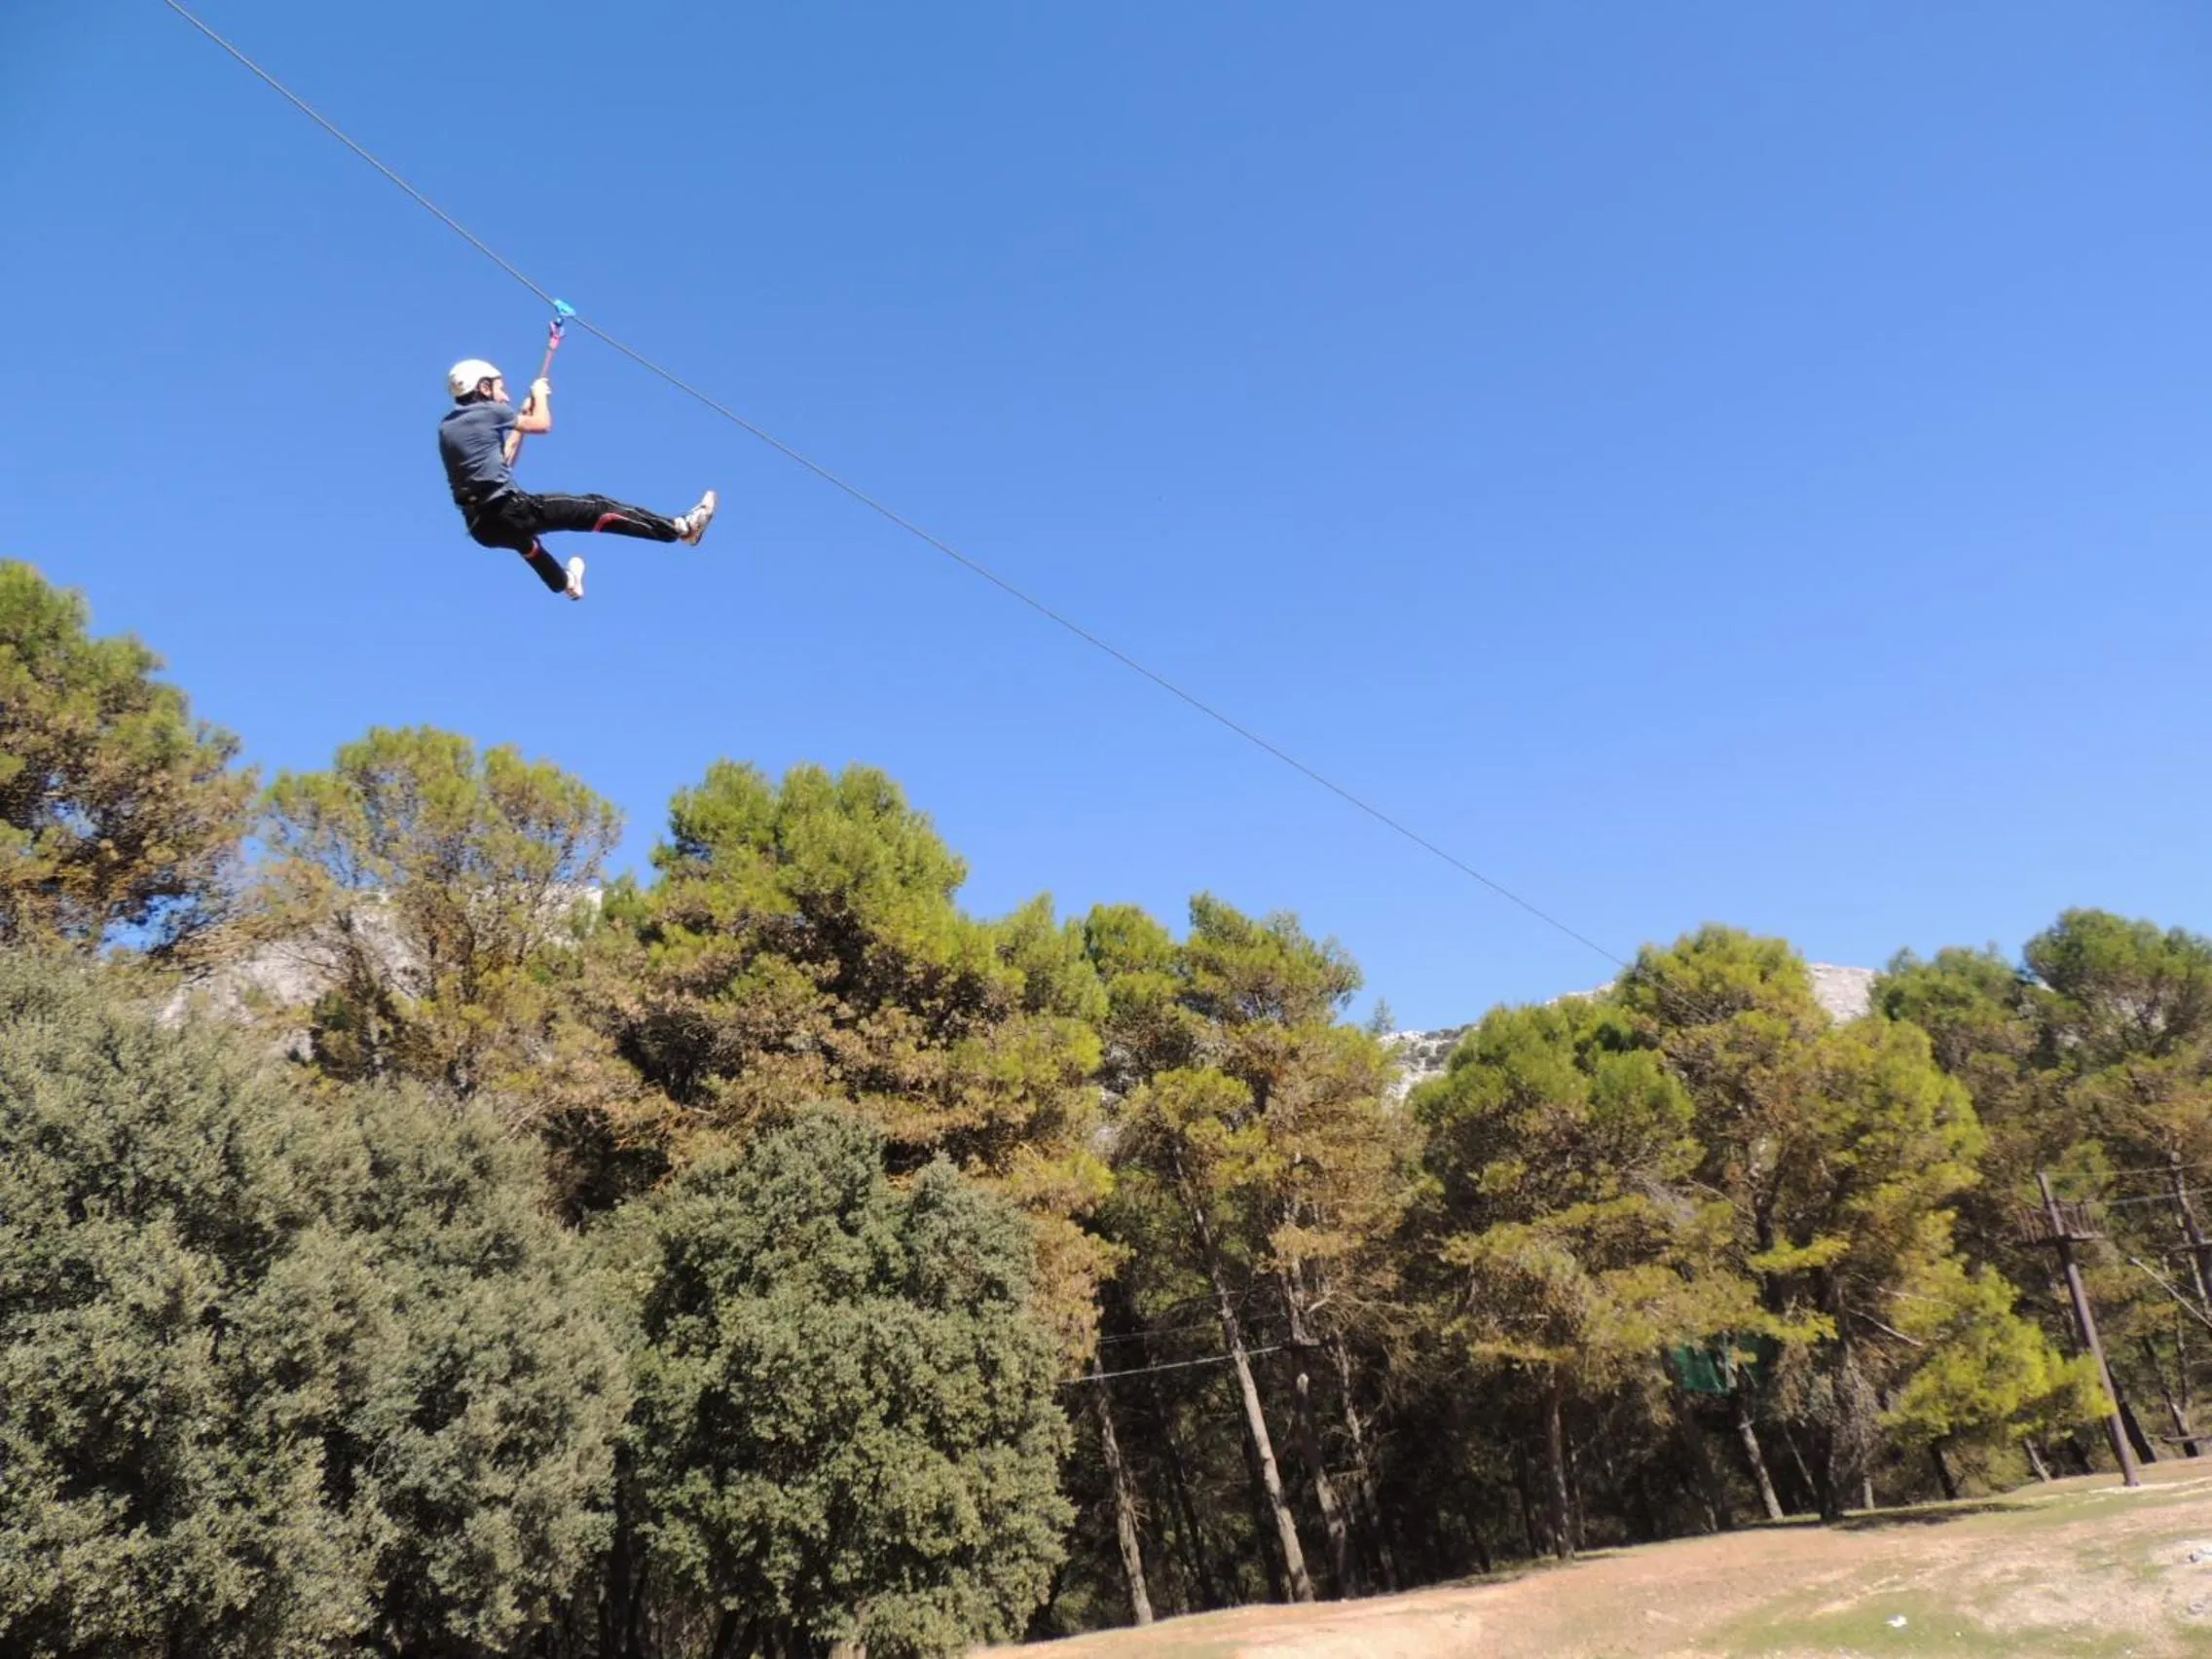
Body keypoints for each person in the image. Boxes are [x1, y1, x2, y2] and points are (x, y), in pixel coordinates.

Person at [438, 357, 717, 600]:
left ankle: (567, 583)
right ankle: (681, 528)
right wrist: (541, 396)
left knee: (528, 546)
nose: (505, 397)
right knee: (596, 508)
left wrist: (520, 421)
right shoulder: (490, 411)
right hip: (509, 510)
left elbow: (505, 459)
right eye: (500, 388)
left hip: (482, 527)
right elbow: (543, 424)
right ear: (483, 387)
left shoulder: (448, 427)